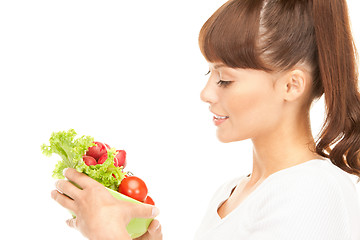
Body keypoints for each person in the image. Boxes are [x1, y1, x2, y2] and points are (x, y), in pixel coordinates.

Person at [52, 0, 360, 239]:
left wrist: (110, 236)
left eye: (224, 80)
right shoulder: (232, 193)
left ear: (291, 86)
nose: (206, 93)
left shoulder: (313, 190)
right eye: (208, 73)